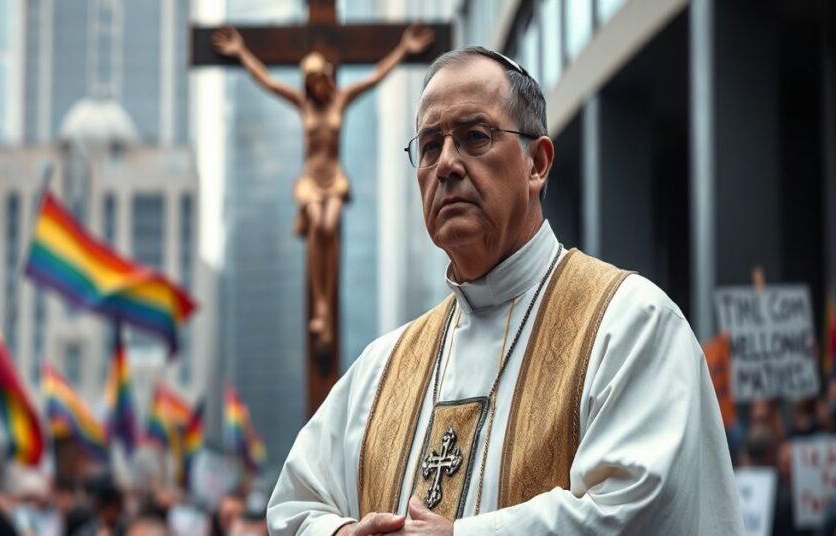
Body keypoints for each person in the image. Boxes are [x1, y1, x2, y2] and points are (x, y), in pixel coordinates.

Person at [267, 46, 742, 534]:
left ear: (537, 163)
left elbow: (640, 507)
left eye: (475, 137)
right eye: (430, 146)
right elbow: (293, 506)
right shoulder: (381, 370)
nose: (447, 164)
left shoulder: (631, 324)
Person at [212, 24, 434, 349]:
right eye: (309, 81)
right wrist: (241, 52)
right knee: (318, 223)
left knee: (329, 225)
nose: (315, 86)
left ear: (326, 78)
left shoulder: (340, 101)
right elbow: (269, 82)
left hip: (334, 179)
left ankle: (325, 306)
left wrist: (403, 48)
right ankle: (320, 305)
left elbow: (374, 76)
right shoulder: (303, 105)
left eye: (318, 79)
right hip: (310, 182)